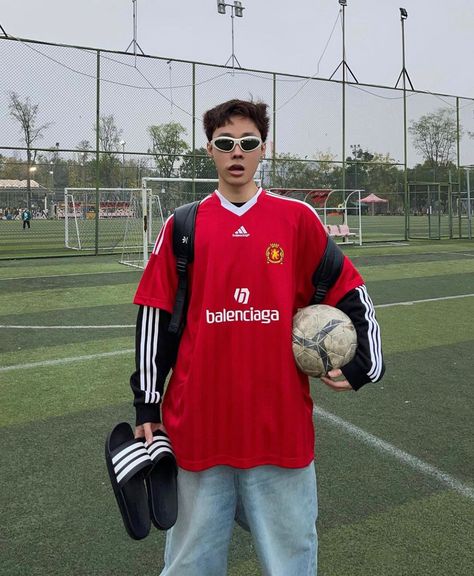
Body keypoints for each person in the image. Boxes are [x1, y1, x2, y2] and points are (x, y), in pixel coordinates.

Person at [129, 99, 384, 575]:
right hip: (198, 429)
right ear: (210, 151)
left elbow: (350, 288)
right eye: (225, 143)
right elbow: (154, 313)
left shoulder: (296, 219)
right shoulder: (183, 224)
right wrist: (147, 403)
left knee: (290, 562)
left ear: (263, 148)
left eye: (248, 142)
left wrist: (365, 360)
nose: (237, 152)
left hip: (279, 429)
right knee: (189, 564)